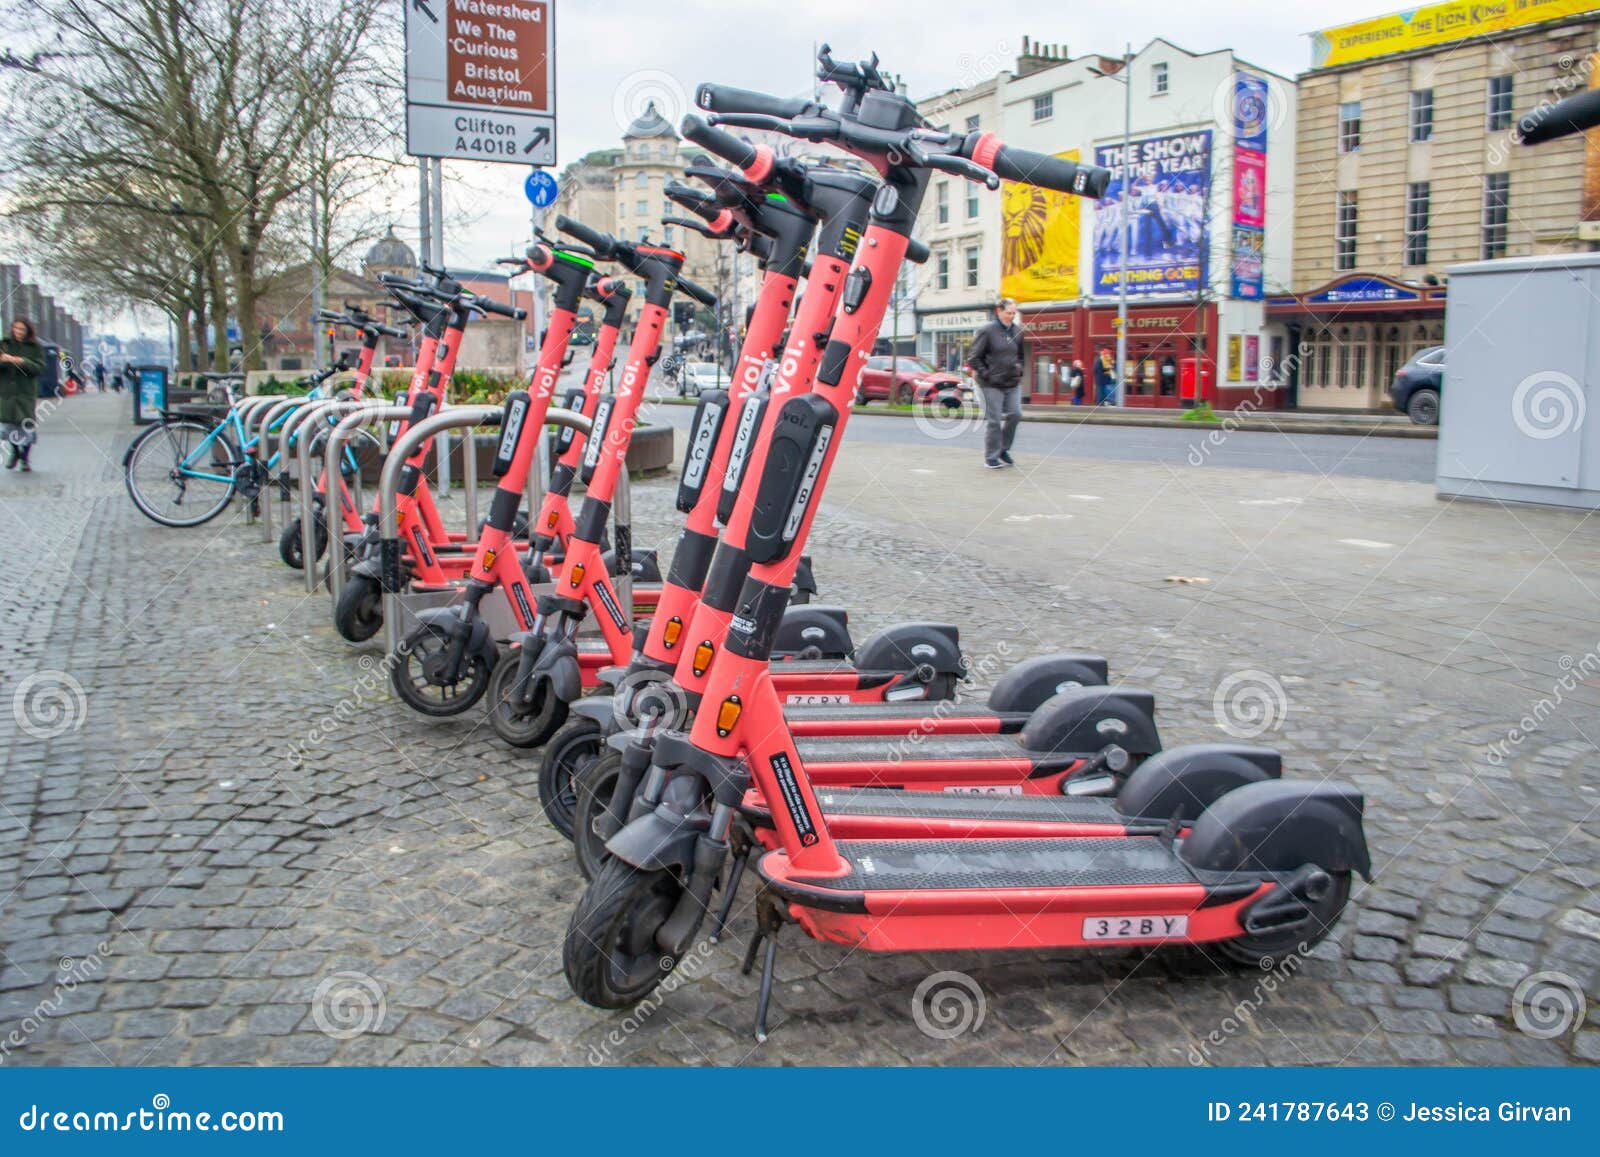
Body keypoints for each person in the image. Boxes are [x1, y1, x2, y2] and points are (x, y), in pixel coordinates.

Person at [967, 297, 1025, 469]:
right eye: (1009, 313)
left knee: (1015, 414)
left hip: (1012, 382)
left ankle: (1003, 449)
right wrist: (987, 374)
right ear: (998, 311)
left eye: (1014, 313)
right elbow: (973, 358)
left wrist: (1019, 369)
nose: (1011, 316)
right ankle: (991, 457)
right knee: (994, 420)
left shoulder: (1018, 331)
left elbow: (1021, 356)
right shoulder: (987, 331)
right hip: (991, 384)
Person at [0, 318, 44, 472]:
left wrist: (21, 361)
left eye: (22, 330)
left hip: (25, 393)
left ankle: (25, 458)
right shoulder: (4, 344)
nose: (18, 332)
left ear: (27, 331)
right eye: (16, 329)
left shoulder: (35, 347)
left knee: (26, 426)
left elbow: (39, 368)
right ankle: (14, 452)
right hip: (7, 393)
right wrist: (5, 360)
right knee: (9, 425)